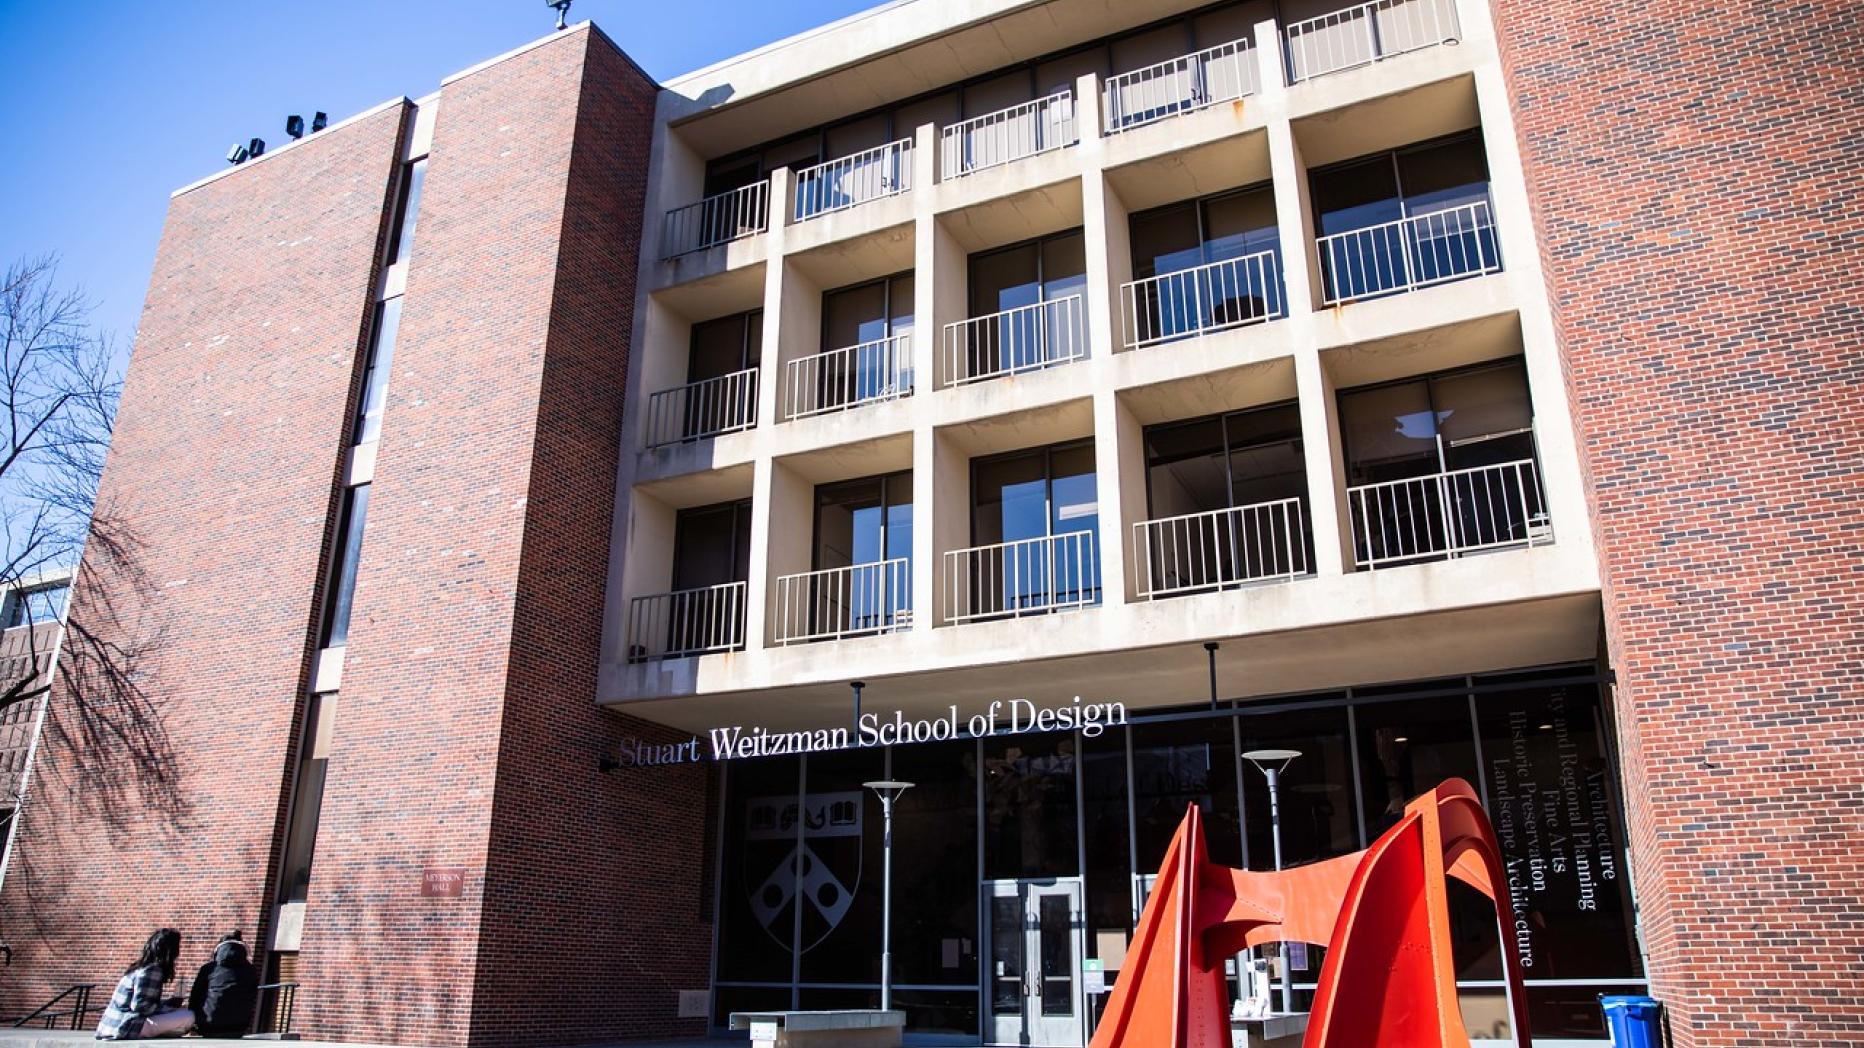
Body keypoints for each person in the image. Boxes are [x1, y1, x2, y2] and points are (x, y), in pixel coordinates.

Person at [95, 928, 194, 1039]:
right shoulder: (152, 970)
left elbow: (140, 1002)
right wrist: (168, 1009)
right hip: (127, 1026)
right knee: (189, 1015)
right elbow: (140, 1006)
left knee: (180, 1013)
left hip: (109, 1026)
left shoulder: (139, 967)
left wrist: (167, 1004)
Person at [187, 932, 259, 1037]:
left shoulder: (209, 968)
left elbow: (195, 997)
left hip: (208, 1025)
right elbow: (252, 996)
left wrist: (194, 1021)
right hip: (239, 1026)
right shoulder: (251, 970)